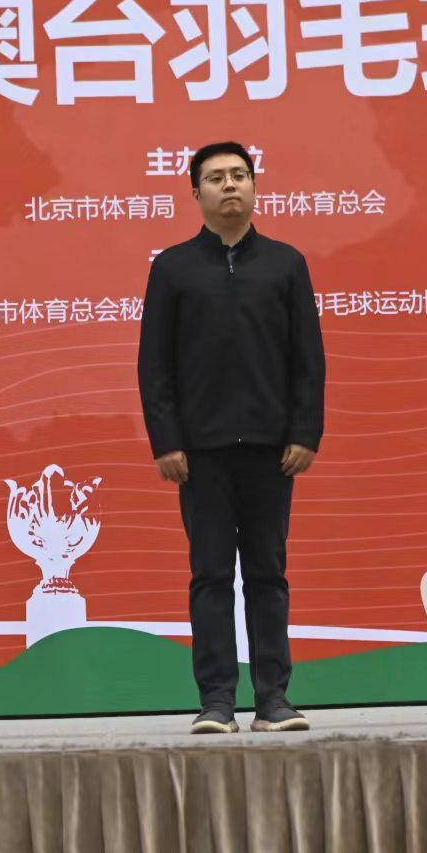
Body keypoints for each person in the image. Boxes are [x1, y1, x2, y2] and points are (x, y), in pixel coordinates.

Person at [138, 141, 325, 736]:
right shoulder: (172, 268)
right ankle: (216, 701)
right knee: (211, 576)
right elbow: (155, 365)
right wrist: (166, 441)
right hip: (200, 452)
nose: (229, 186)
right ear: (195, 193)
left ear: (254, 186)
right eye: (215, 177)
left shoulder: (285, 264)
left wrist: (304, 432)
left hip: (272, 448)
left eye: (239, 175)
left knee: (268, 574)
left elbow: (308, 359)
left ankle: (274, 700)